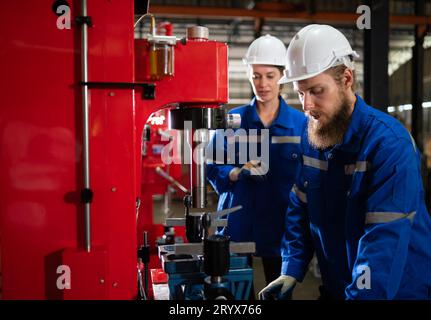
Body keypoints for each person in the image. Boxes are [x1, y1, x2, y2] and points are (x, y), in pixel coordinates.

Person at [259, 24, 431, 300]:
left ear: (346, 79)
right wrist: (292, 266)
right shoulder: (313, 136)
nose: (307, 105)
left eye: (316, 91)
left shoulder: (388, 144)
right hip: (339, 287)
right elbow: (300, 207)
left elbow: (383, 240)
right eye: (300, 93)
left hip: (395, 292)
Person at [206, 34, 306, 289]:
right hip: (239, 219)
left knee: (278, 291)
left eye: (269, 76)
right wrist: (235, 173)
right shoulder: (233, 119)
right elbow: (212, 162)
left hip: (283, 222)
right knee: (239, 293)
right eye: (256, 76)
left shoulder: (301, 124)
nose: (262, 84)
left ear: (282, 75)